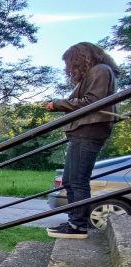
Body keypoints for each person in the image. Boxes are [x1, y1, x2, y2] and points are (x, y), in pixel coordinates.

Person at [45, 42, 119, 239]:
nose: (69, 68)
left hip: (88, 131)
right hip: (83, 132)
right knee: (70, 181)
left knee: (77, 181)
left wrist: (58, 104)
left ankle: (78, 226)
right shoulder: (99, 71)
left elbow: (92, 102)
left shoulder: (100, 70)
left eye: (70, 62)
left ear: (80, 58)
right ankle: (74, 221)